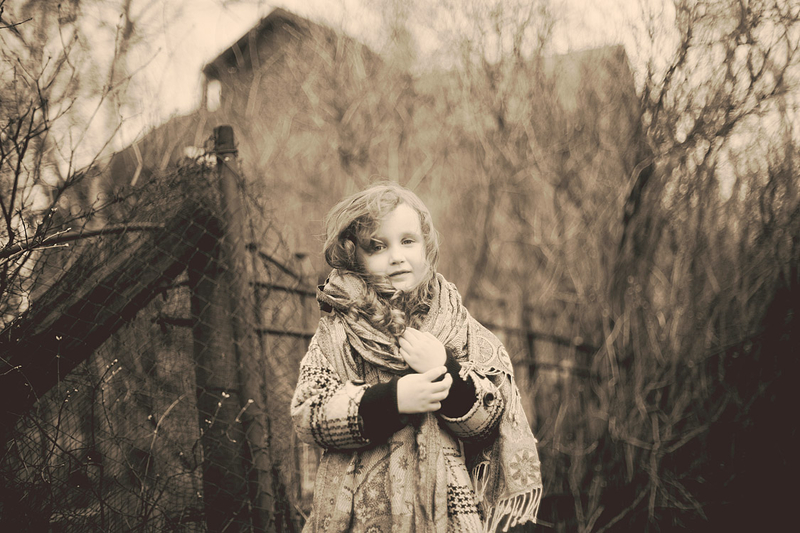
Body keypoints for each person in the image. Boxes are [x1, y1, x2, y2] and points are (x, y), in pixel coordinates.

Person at [291, 182, 542, 533]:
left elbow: (491, 421)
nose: (397, 256)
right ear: (355, 256)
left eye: (408, 241)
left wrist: (446, 369)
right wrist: (392, 400)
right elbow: (308, 412)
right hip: (362, 513)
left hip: (449, 511)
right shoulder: (338, 331)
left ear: (426, 247)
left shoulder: (456, 325)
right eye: (378, 246)